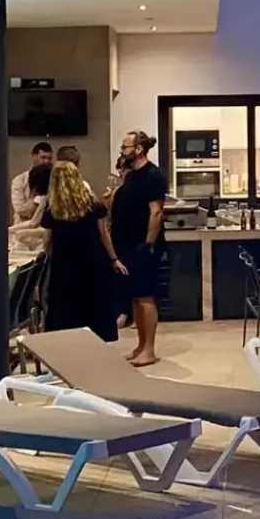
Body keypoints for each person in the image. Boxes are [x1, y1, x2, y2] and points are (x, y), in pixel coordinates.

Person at [42, 162, 125, 342]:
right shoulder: (91, 203)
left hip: (64, 263)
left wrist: (47, 255)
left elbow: (48, 238)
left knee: (66, 304)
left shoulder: (53, 207)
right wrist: (113, 258)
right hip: (93, 260)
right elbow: (103, 233)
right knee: (93, 302)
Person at [109, 130, 168, 366]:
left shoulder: (153, 175)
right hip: (127, 244)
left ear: (139, 149)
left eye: (125, 147)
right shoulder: (132, 176)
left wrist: (148, 244)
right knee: (135, 297)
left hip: (142, 246)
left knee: (145, 297)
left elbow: (156, 212)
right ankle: (141, 345)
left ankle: (149, 349)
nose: (122, 151)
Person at [8, 162, 52, 243]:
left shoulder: (57, 198)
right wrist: (9, 230)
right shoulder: (45, 197)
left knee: (21, 235)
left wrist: (23, 233)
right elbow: (33, 223)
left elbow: (51, 230)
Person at [11, 141, 55, 221]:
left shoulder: (55, 179)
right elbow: (21, 210)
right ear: (33, 156)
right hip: (23, 224)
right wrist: (38, 198)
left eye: (49, 158)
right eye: (43, 157)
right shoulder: (19, 180)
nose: (46, 162)